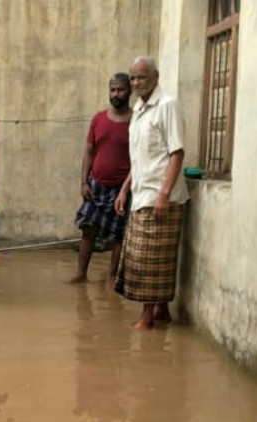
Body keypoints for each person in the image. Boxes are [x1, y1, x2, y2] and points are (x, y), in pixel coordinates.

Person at [114, 57, 189, 329]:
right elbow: (140, 158)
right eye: (133, 78)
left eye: (141, 77)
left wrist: (164, 194)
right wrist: (124, 190)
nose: (136, 83)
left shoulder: (167, 105)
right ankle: (162, 311)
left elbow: (176, 152)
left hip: (160, 197)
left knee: (148, 261)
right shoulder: (139, 108)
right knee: (152, 258)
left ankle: (146, 318)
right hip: (141, 195)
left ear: (155, 77)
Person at [71, 73, 132, 284]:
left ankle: (112, 276)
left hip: (122, 188)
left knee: (118, 234)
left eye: (120, 90)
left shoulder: (136, 121)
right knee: (88, 228)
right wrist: (83, 181)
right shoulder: (98, 119)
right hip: (96, 185)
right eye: (113, 90)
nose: (116, 94)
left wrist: (126, 189)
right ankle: (81, 274)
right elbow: (89, 151)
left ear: (129, 91)